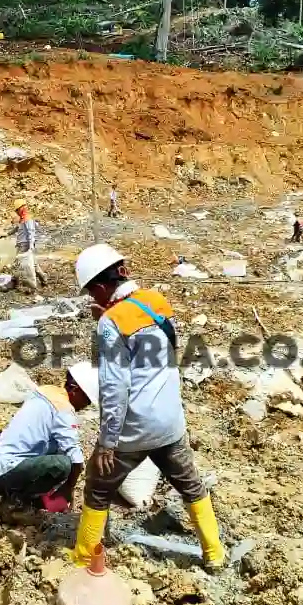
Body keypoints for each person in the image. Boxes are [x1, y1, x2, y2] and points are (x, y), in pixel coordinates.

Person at [68, 243, 227, 572]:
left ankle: (84, 557)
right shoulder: (156, 302)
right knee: (191, 486)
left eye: (91, 293)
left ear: (99, 287)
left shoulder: (110, 323)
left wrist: (108, 442)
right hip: (170, 424)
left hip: (133, 430)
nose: (92, 300)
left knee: (97, 489)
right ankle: (214, 553)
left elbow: (114, 387)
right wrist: (109, 319)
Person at [0, 362, 98, 513]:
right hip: (3, 475)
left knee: (58, 452)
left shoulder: (44, 394)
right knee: (63, 464)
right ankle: (17, 504)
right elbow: (76, 459)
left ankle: (27, 498)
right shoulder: (62, 407)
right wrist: (68, 489)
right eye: (86, 400)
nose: (86, 405)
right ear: (75, 390)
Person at [13, 198, 47, 290]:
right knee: (33, 264)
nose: (16, 212)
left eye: (17, 210)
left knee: (18, 263)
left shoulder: (28, 219)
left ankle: (16, 282)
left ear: (21, 209)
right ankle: (43, 278)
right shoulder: (22, 219)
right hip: (22, 244)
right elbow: (18, 228)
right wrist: (8, 233)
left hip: (25, 245)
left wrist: (31, 246)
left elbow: (31, 233)